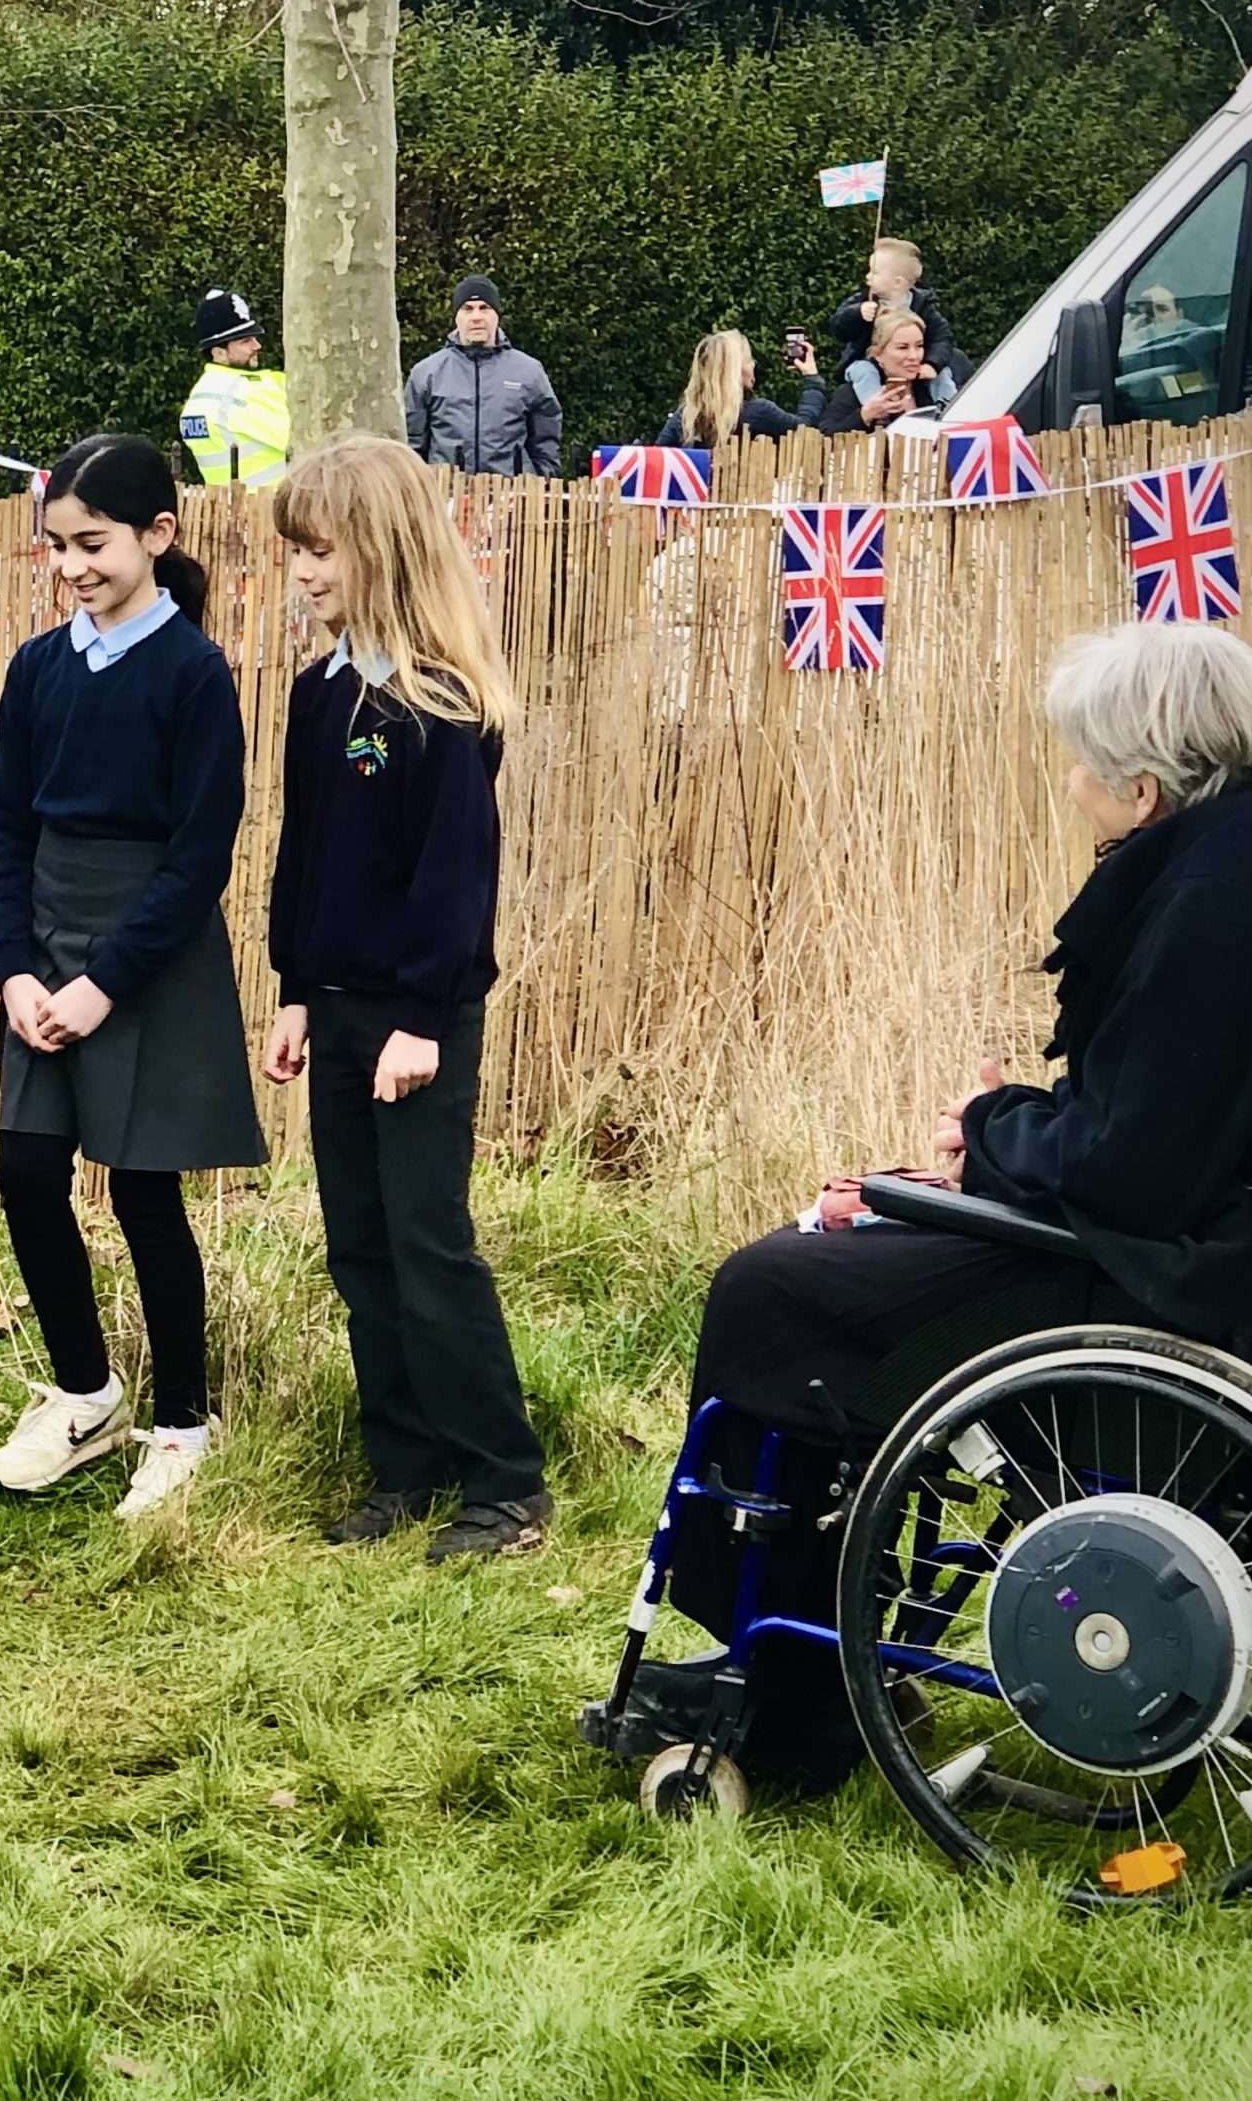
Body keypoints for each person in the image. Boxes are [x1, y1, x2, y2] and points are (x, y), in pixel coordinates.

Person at [649, 622, 1252, 1776]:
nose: (1067, 785)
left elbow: (1133, 1167)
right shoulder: (1220, 869)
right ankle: (815, 1658)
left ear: (1141, 787)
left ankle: (786, 1680)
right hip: (1182, 1256)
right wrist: (998, 1138)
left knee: (772, 1287)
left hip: (1155, 1290)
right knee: (842, 1251)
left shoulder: (1209, 900)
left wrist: (983, 1132)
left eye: (1081, 765)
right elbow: (1159, 1119)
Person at [261, 434, 553, 1562]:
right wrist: (293, 989)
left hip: (414, 1023)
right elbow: (303, 853)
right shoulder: (317, 694)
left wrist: (421, 1020)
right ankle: (406, 1468)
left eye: (320, 550)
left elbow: (453, 883)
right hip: (332, 1010)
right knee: (360, 1250)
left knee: (429, 1248)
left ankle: (505, 1483)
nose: (303, 572)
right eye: (296, 552)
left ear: (381, 549)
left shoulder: (443, 708)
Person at [0, 434, 269, 1519]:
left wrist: (102, 985)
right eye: (56, 546)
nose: (72, 566)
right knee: (26, 1170)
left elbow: (199, 858)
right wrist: (16, 969)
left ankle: (184, 1422)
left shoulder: (193, 673)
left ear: (157, 535)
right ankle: (86, 1394)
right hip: (45, 948)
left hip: (147, 956)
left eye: (92, 543)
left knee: (144, 1191)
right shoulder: (36, 669)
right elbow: (5, 830)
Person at [402, 277, 562, 478]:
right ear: (456, 317)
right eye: (467, 309)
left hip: (512, 492)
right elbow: (412, 444)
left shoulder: (528, 371)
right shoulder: (427, 373)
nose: (476, 317)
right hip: (447, 491)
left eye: (484, 308)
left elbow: (546, 440)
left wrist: (540, 478)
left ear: (497, 315)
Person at [178, 289, 291, 488]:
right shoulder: (246, 392)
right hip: (275, 503)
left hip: (227, 505)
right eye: (245, 341)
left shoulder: (199, 396)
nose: (257, 346)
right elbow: (313, 441)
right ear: (219, 353)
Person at [827, 238, 957, 402]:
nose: (867, 277)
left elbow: (942, 338)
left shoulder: (923, 306)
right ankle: (879, 407)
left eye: (874, 273)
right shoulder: (863, 299)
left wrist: (932, 364)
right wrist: (856, 313)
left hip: (909, 365)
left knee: (942, 374)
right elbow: (837, 327)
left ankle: (949, 407)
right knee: (864, 372)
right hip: (868, 362)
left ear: (897, 282)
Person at [653, 329, 825, 448]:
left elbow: (659, 458)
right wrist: (812, 379)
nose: (753, 365)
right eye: (748, 360)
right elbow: (805, 430)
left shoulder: (685, 418)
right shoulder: (758, 413)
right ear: (734, 370)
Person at [815, 306, 942, 433]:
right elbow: (825, 437)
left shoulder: (929, 387)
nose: (913, 356)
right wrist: (864, 416)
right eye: (902, 348)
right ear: (878, 353)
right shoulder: (852, 393)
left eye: (919, 346)